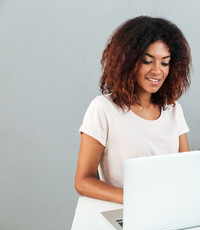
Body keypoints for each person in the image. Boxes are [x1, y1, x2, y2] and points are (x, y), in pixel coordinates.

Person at [74, 16, 191, 204]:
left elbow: (187, 169)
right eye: (147, 61)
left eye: (165, 62)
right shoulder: (103, 109)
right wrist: (136, 199)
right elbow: (83, 181)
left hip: (170, 207)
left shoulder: (173, 109)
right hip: (127, 212)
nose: (157, 71)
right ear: (127, 62)